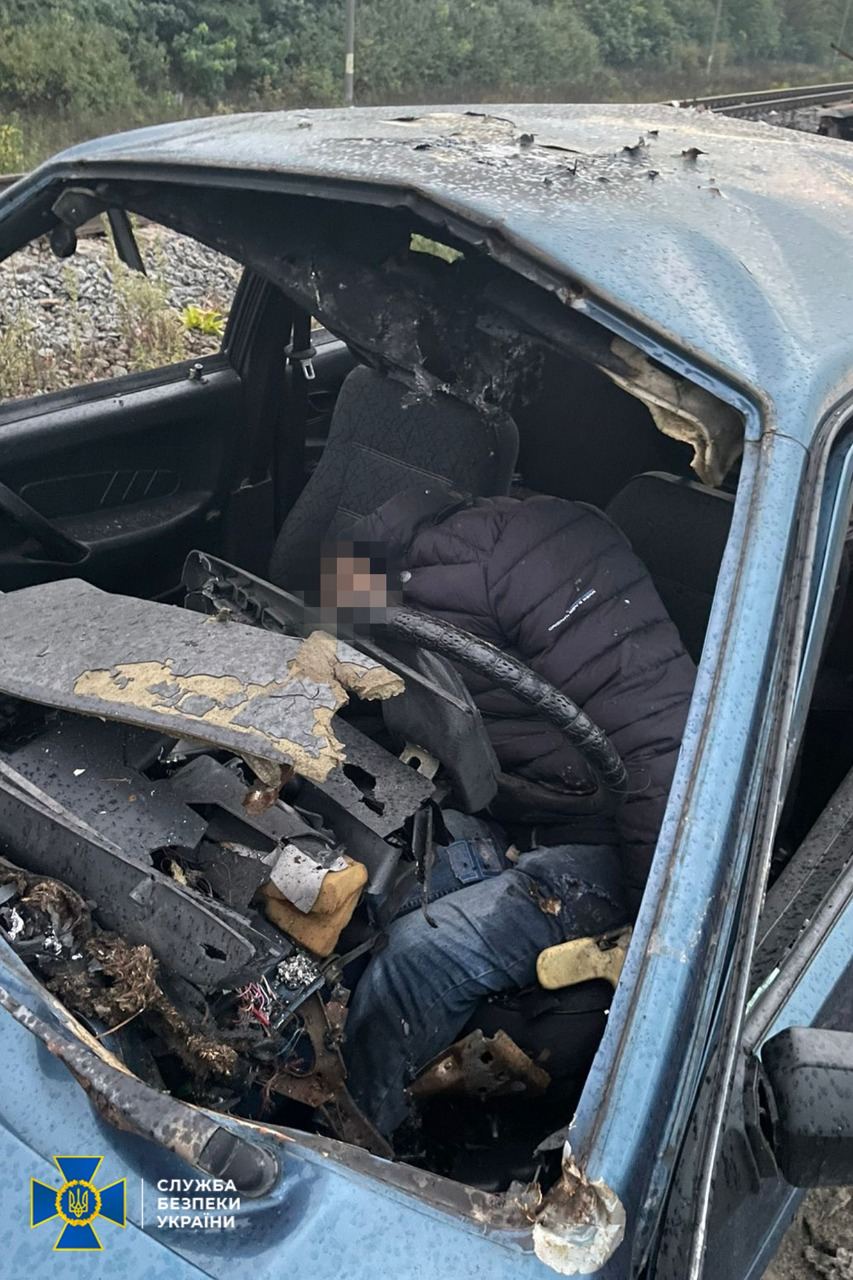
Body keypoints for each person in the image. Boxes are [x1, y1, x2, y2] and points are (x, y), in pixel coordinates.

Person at [323, 484, 696, 1138]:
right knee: (361, 895)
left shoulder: (552, 554)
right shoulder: (374, 555)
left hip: (629, 845)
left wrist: (659, 938)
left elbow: (666, 757)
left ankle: (351, 1146)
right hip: (510, 812)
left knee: (416, 959)